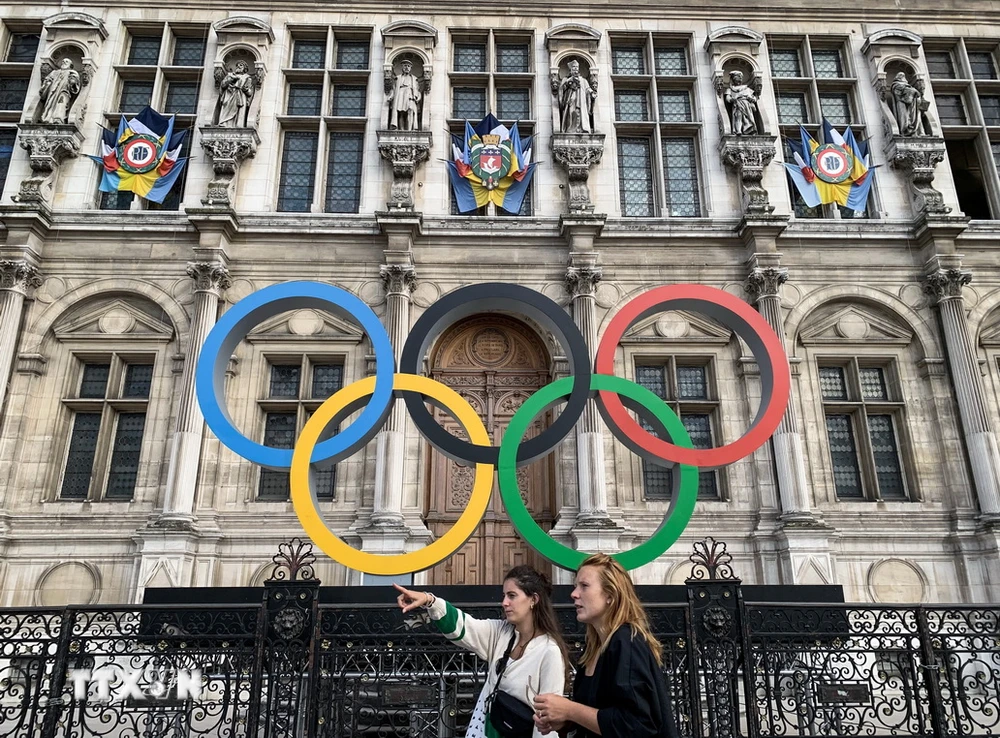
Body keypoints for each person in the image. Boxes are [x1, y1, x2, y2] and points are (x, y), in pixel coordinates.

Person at [395, 566, 568, 738]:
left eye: (512, 595)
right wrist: (429, 600)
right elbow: (464, 626)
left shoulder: (549, 652)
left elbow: (548, 722)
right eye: (504, 596)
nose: (504, 602)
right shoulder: (502, 632)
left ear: (533, 599)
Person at [532, 553, 679, 738]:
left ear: (610, 594)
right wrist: (564, 721)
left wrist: (570, 710)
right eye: (575, 586)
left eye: (584, 586)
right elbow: (599, 715)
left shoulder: (626, 642)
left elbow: (636, 725)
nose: (574, 594)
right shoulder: (594, 648)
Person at [558, 59, 596, 133]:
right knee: (571, 114)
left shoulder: (583, 80)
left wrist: (592, 93)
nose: (575, 69)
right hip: (572, 101)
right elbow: (562, 89)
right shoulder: (567, 79)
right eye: (574, 67)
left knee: (581, 114)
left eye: (576, 67)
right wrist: (570, 82)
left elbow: (588, 89)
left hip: (581, 101)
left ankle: (581, 129)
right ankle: (571, 129)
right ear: (571, 70)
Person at [39, 58, 81, 124]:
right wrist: (47, 83)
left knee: (61, 103)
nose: (64, 63)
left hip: (64, 91)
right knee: (50, 103)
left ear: (70, 65)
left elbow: (75, 83)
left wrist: (72, 82)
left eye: (66, 62)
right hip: (53, 91)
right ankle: (47, 118)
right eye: (63, 61)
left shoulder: (72, 72)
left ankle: (58, 118)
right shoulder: (54, 72)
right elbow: (47, 79)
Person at [217, 61, 255, 127]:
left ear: (245, 68)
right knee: (226, 110)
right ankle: (224, 123)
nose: (238, 66)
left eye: (241, 65)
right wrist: (231, 79)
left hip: (240, 96)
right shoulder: (230, 75)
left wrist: (245, 89)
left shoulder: (247, 78)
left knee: (239, 112)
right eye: (237, 65)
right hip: (228, 95)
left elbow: (250, 93)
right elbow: (223, 85)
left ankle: (237, 125)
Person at [388, 59, 422, 131]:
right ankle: (401, 129)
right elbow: (393, 89)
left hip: (410, 95)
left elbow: (417, 89)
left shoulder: (414, 78)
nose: (407, 67)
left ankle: (410, 129)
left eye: (408, 66)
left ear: (410, 68)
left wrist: (418, 96)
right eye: (405, 66)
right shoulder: (398, 78)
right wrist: (391, 96)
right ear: (402, 67)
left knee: (411, 110)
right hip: (400, 94)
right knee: (401, 112)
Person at [724, 70, 759, 136]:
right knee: (738, 116)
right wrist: (732, 99)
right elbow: (727, 98)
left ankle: (750, 130)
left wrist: (752, 99)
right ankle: (738, 130)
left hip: (747, 105)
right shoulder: (730, 89)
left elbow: (754, 98)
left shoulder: (746, 89)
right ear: (733, 80)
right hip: (737, 104)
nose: (737, 81)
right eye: (735, 79)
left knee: (749, 118)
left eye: (738, 79)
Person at [890, 71, 925, 136]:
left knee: (916, 117)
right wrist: (913, 91)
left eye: (903, 76)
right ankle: (905, 131)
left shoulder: (908, 86)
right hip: (902, 104)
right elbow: (899, 93)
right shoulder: (896, 85)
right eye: (901, 76)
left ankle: (917, 132)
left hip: (912, 104)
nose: (903, 77)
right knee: (904, 118)